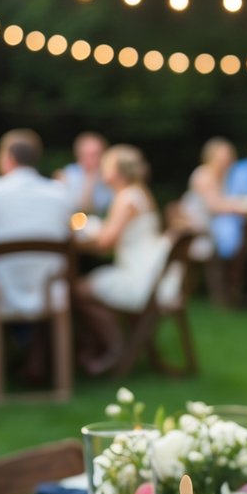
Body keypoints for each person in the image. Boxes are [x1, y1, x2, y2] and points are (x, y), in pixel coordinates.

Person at [75, 145, 179, 374]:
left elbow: (105, 244)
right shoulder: (139, 192)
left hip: (141, 277)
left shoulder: (127, 198)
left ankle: (115, 347)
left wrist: (85, 233)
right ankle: (104, 347)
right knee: (86, 288)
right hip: (152, 272)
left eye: (107, 166)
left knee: (78, 290)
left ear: (117, 172)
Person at [0, 129, 73, 319]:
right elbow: (72, 235)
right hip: (48, 291)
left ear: (9, 157)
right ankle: (35, 346)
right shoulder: (60, 193)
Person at [179, 137, 243, 260]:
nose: (226, 160)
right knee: (230, 231)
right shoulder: (203, 174)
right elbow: (214, 206)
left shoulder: (226, 177)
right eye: (222, 157)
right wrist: (242, 205)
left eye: (228, 156)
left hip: (212, 222)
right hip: (198, 225)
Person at [54, 131, 112, 215]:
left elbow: (87, 209)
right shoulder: (68, 173)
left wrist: (90, 181)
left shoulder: (110, 177)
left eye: (94, 155)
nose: (89, 160)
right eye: (85, 154)